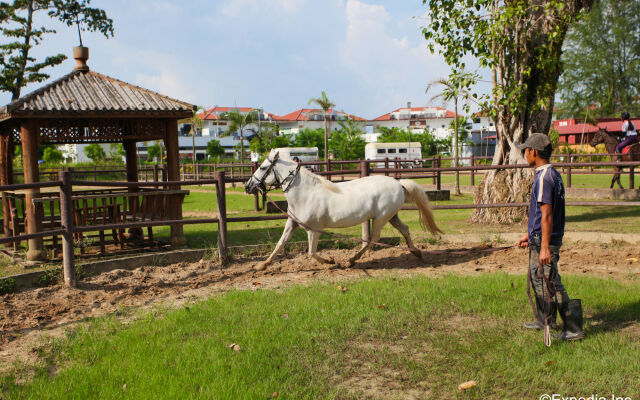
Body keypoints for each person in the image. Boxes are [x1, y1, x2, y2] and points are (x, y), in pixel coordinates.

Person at [516, 133, 584, 342]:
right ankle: (545, 319)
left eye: (525, 150)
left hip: (547, 241)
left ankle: (573, 328)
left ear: (533, 152)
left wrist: (544, 246)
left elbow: (546, 214)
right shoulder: (551, 174)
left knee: (551, 281)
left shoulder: (545, 178)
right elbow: (542, 213)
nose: (524, 154)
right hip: (540, 238)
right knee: (538, 279)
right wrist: (531, 234)